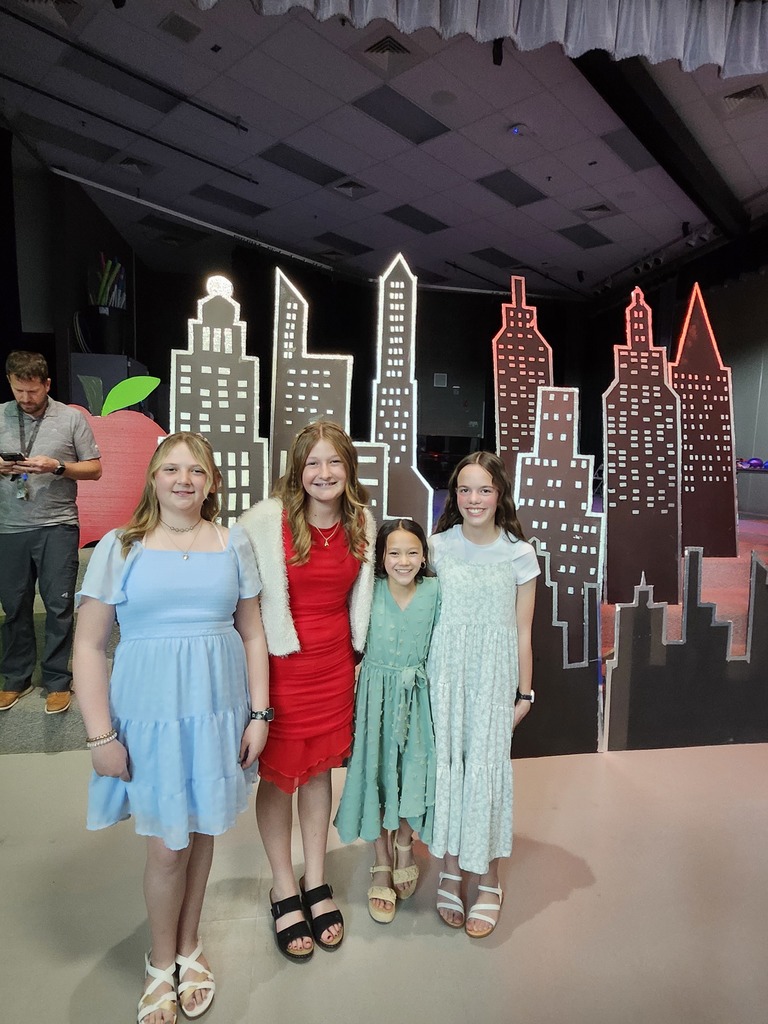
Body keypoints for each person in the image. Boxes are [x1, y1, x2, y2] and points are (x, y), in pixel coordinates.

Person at [73, 432, 269, 1024]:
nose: (184, 479)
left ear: (212, 481)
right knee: (166, 848)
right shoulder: (120, 546)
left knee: (204, 829)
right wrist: (100, 735)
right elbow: (86, 644)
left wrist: (259, 714)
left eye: (196, 470)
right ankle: (161, 962)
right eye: (172, 469)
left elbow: (254, 633)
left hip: (217, 712)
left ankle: (191, 945)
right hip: (151, 719)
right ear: (153, 478)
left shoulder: (235, 543)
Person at [239, 421, 375, 962]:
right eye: (313, 463)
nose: (324, 473)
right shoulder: (264, 524)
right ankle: (282, 886)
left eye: (334, 462)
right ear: (298, 471)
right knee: (278, 779)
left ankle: (315, 881)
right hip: (280, 668)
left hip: (335, 666)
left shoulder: (361, 522)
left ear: (349, 469)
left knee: (318, 772)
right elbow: (244, 607)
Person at [427, 452, 539, 939]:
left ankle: (489, 877)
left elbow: (523, 631)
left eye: (485, 490)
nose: (475, 499)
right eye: (466, 490)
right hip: (445, 674)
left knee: (487, 774)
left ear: (500, 496)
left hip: (493, 679)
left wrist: (525, 694)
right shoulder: (436, 547)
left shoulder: (519, 552)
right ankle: (452, 867)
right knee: (450, 767)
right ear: (456, 496)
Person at [335, 518, 440, 924]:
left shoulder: (434, 591)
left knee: (411, 769)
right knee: (377, 771)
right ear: (380, 557)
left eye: (412, 551)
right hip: (375, 697)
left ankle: (404, 843)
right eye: (394, 552)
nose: (403, 560)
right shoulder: (369, 592)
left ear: (425, 556)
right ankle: (380, 858)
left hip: (417, 697)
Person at [0, 350, 101, 714]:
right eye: (18, 390)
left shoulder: (71, 418)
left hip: (57, 524)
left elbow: (95, 469)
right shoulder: (0, 416)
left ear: (47, 384)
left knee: (58, 604)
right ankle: (15, 679)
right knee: (14, 606)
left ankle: (58, 680)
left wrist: (57, 466)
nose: (26, 399)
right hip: (8, 526)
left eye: (33, 391)